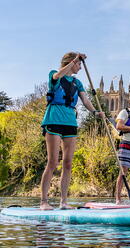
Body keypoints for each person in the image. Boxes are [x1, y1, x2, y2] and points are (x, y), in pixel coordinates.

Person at [40, 52, 103, 210]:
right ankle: (44, 201)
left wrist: (95, 112)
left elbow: (85, 100)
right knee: (53, 162)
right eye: (78, 65)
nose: (80, 68)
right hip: (53, 119)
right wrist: (75, 58)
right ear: (71, 62)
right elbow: (58, 75)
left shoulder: (77, 82)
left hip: (70, 122)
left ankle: (63, 202)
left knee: (68, 163)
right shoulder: (55, 74)